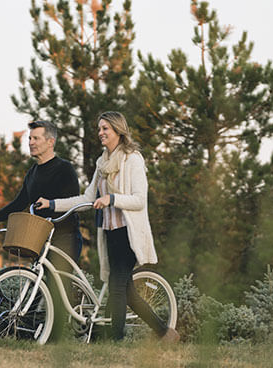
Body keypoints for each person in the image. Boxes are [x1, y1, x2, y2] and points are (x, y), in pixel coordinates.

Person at [35, 111, 179, 343]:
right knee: (127, 291)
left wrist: (112, 199)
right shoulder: (102, 163)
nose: (100, 132)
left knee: (117, 287)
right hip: (111, 235)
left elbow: (139, 199)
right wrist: (52, 204)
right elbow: (87, 198)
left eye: (105, 129)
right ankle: (164, 332)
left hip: (129, 235)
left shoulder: (133, 159)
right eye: (99, 128)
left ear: (118, 131)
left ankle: (115, 341)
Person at [0, 119, 81, 341]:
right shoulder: (32, 173)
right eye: (29, 138)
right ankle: (34, 335)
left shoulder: (64, 169)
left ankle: (54, 342)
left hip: (65, 236)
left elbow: (73, 202)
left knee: (57, 288)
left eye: (35, 138)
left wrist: (51, 206)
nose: (30, 142)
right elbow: (17, 203)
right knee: (40, 287)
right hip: (41, 237)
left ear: (50, 142)